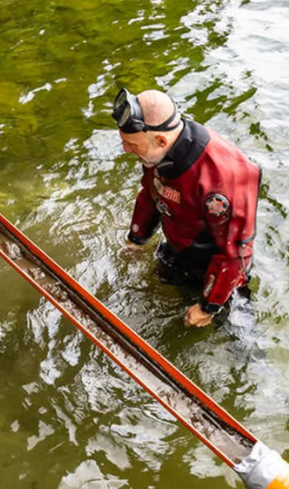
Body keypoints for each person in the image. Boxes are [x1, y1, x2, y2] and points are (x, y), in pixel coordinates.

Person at [113, 88, 261, 327]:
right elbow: (151, 194)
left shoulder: (223, 175)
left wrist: (208, 306)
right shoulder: (157, 152)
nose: (125, 149)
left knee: (235, 333)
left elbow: (235, 252)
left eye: (131, 144)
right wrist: (136, 241)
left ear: (161, 140)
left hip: (220, 268)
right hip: (179, 247)